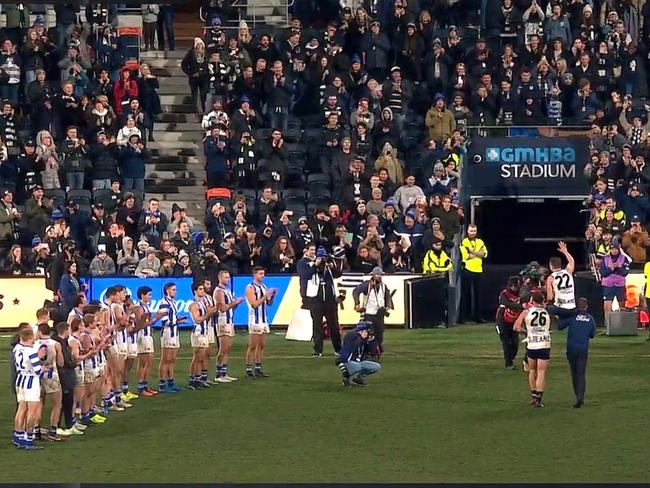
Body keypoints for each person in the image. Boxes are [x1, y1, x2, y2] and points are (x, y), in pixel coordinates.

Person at [297, 244, 343, 358]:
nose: (313, 252)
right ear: (306, 251)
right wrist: (315, 265)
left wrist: (331, 266)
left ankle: (339, 349)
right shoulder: (303, 263)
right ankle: (318, 350)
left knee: (334, 325)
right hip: (315, 299)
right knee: (317, 325)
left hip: (330, 299)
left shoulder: (327, 262)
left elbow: (338, 274)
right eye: (311, 250)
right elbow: (305, 275)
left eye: (315, 250)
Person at [554, 298, 597, 408]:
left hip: (571, 348)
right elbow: (592, 334)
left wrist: (560, 317)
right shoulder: (591, 319)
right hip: (583, 349)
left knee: (574, 373)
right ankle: (580, 398)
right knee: (581, 373)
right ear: (586, 306)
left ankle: (577, 394)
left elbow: (560, 327)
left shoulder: (573, 316)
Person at [514, 291, 551, 408]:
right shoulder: (547, 312)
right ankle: (539, 399)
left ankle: (534, 396)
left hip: (532, 345)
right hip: (544, 344)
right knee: (541, 372)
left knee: (532, 371)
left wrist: (527, 332)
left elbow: (516, 327)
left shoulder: (526, 312)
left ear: (531, 300)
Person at [13, 326, 47, 449]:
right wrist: (41, 360)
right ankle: (28, 440)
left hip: (20, 380)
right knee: (32, 413)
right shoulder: (31, 351)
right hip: (31, 383)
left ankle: (18, 436)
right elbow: (38, 371)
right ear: (30, 337)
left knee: (21, 409)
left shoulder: (17, 348)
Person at [352, 266, 394, 358]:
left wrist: (388, 306)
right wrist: (357, 304)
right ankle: (369, 351)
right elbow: (355, 291)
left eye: (381, 275)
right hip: (369, 313)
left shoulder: (383, 286)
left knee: (380, 333)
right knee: (370, 334)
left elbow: (387, 295)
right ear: (373, 275)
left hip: (380, 314)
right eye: (378, 275)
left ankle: (377, 351)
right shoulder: (367, 285)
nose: (380, 276)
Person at [35, 323, 64, 441]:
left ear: (40, 332)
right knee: (57, 404)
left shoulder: (34, 344)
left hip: (37, 376)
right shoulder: (56, 344)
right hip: (52, 376)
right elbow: (61, 363)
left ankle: (36, 430)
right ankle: (52, 431)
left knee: (39, 402)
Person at [245, 266, 275, 378]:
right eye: (260, 273)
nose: (262, 275)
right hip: (254, 320)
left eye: (263, 273)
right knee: (252, 346)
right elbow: (254, 304)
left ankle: (258, 368)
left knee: (261, 345)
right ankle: (248, 368)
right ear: (254, 275)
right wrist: (265, 296)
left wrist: (272, 296)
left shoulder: (263, 286)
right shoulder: (250, 288)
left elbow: (269, 304)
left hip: (263, 319)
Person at [134, 286, 165, 396]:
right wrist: (156, 318)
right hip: (142, 337)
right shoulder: (139, 308)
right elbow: (140, 325)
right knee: (143, 362)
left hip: (148, 336)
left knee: (149, 362)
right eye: (149, 295)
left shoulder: (145, 307)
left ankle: (145, 386)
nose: (151, 297)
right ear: (142, 295)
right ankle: (141, 387)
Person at [214, 269, 243, 383]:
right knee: (223, 349)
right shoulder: (219, 291)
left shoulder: (227, 290)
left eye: (228, 277)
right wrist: (234, 302)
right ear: (220, 278)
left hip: (229, 321)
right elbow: (222, 308)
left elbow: (230, 307)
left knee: (228, 349)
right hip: (222, 322)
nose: (228, 279)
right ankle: (218, 374)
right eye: (225, 277)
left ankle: (224, 373)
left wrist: (235, 304)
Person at [158, 282, 187, 392]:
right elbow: (164, 321)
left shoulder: (173, 302)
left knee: (172, 359)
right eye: (173, 289)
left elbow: (172, 318)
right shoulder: (164, 303)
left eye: (175, 289)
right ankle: (162, 384)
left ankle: (171, 382)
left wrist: (178, 320)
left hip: (174, 333)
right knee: (166, 359)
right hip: (167, 333)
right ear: (167, 290)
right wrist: (178, 321)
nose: (175, 291)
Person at [188, 282, 218, 390]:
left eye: (203, 289)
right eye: (200, 289)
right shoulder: (194, 304)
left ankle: (198, 378)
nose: (203, 291)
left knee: (201, 358)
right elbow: (197, 319)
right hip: (198, 333)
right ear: (195, 291)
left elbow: (206, 319)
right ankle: (192, 380)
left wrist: (209, 314)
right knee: (197, 358)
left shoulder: (202, 303)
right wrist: (208, 314)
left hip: (204, 332)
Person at [459, 224, 488, 323]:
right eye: (471, 231)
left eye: (474, 231)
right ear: (467, 231)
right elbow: (466, 256)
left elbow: (484, 254)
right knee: (465, 294)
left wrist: (473, 252)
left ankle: (478, 317)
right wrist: (477, 253)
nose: (472, 233)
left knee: (478, 295)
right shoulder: (464, 242)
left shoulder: (480, 242)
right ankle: (463, 317)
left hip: (478, 270)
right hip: (467, 269)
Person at [339, 321, 381, 387]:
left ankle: (357, 378)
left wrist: (371, 342)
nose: (368, 333)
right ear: (361, 331)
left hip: (359, 361)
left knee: (376, 367)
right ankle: (345, 376)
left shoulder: (364, 339)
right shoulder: (351, 335)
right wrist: (361, 339)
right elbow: (349, 348)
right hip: (349, 361)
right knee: (357, 367)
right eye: (366, 331)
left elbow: (374, 353)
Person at [496, 276, 524, 369]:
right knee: (506, 342)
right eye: (515, 286)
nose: (516, 288)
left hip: (514, 320)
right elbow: (507, 303)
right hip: (503, 320)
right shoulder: (504, 294)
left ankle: (510, 358)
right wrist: (519, 306)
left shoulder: (520, 293)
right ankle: (508, 363)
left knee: (515, 343)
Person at [600, 239, 630, 315]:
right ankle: (608, 322)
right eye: (612, 249)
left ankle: (621, 322)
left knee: (622, 304)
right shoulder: (605, 258)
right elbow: (603, 273)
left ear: (618, 249)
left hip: (620, 285)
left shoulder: (624, 258)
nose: (614, 251)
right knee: (607, 304)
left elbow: (625, 272)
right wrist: (611, 269)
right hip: (608, 285)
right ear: (610, 249)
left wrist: (617, 268)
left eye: (616, 249)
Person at [547, 241, 576, 310]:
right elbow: (572, 261)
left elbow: (549, 297)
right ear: (560, 264)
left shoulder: (550, 278)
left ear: (550, 266)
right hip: (572, 305)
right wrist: (565, 252)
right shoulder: (568, 271)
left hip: (560, 307)